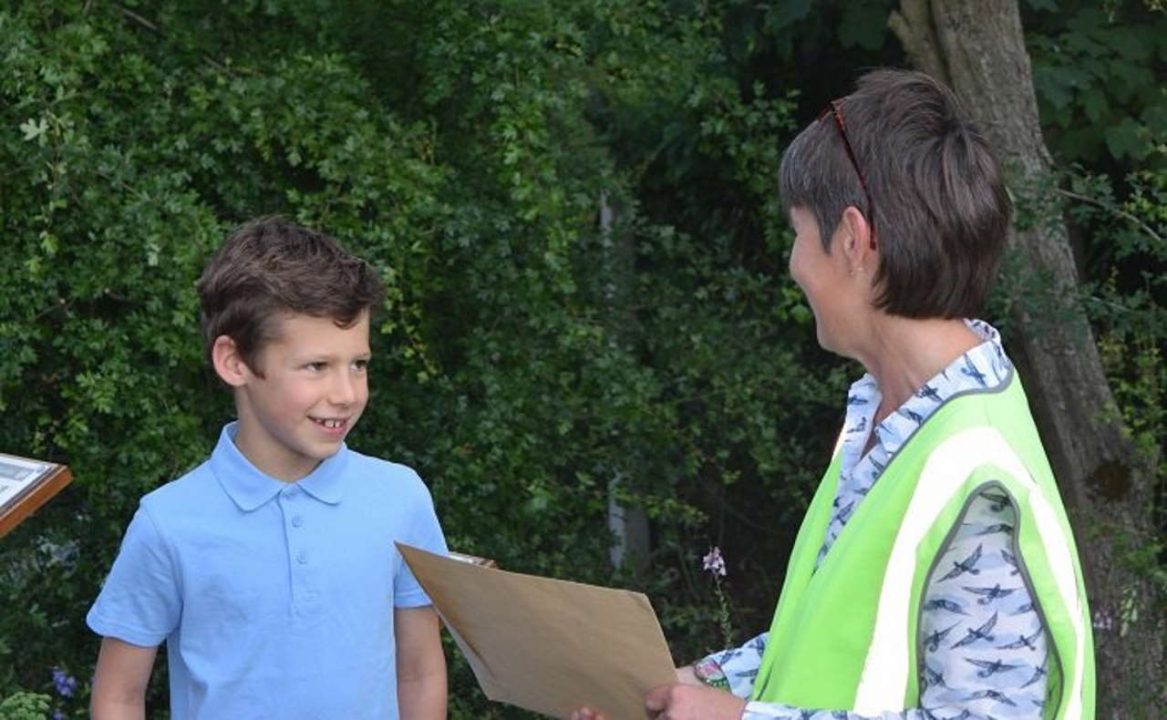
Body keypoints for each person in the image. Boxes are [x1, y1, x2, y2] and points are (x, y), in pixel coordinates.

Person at [575, 69, 1094, 720]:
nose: (792, 263)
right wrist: (676, 687)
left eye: (797, 233)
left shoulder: (973, 477)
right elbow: (822, 640)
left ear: (852, 240)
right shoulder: (888, 418)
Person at [87, 218, 448, 720]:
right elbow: (118, 697)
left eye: (358, 364)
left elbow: (420, 672)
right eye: (316, 366)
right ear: (234, 362)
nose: (346, 393)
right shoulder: (169, 523)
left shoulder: (400, 498)